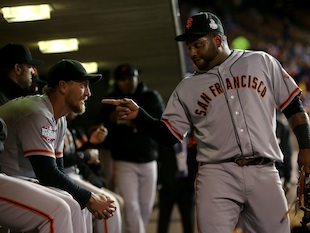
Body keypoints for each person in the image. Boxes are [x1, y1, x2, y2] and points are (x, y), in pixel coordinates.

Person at [101, 11, 310, 233]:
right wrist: (140, 117)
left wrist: (306, 146)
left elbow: (293, 107)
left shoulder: (261, 62)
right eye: (189, 46)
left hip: (265, 170)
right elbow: (169, 135)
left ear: (218, 40)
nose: (192, 52)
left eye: (198, 45)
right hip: (216, 173)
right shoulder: (187, 87)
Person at [0, 59, 117, 232]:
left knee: (78, 204)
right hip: (9, 176)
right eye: (83, 85)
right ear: (63, 86)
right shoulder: (38, 112)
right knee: (60, 210)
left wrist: (86, 198)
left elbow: (58, 170)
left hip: (22, 178)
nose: (89, 93)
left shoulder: (59, 118)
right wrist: (89, 197)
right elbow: (47, 174)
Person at [96, 64, 165, 233]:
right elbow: (100, 127)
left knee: (145, 207)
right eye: (122, 79)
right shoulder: (111, 99)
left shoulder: (150, 97)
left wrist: (134, 122)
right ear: (117, 82)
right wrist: (112, 120)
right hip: (124, 161)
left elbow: (160, 125)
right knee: (131, 206)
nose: (126, 82)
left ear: (137, 77)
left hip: (149, 160)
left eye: (130, 78)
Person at [64, 111, 124, 233]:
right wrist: (86, 154)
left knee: (113, 203)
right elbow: (56, 163)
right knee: (110, 204)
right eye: (82, 90)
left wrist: (90, 145)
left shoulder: (70, 126)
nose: (87, 93)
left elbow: (79, 161)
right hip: (63, 177)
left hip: (76, 175)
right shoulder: (51, 120)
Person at [157, 132, 198, 233]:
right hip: (168, 184)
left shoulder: (194, 136)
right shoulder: (165, 137)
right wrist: (161, 182)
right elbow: (159, 158)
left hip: (187, 185)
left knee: (189, 221)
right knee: (163, 220)